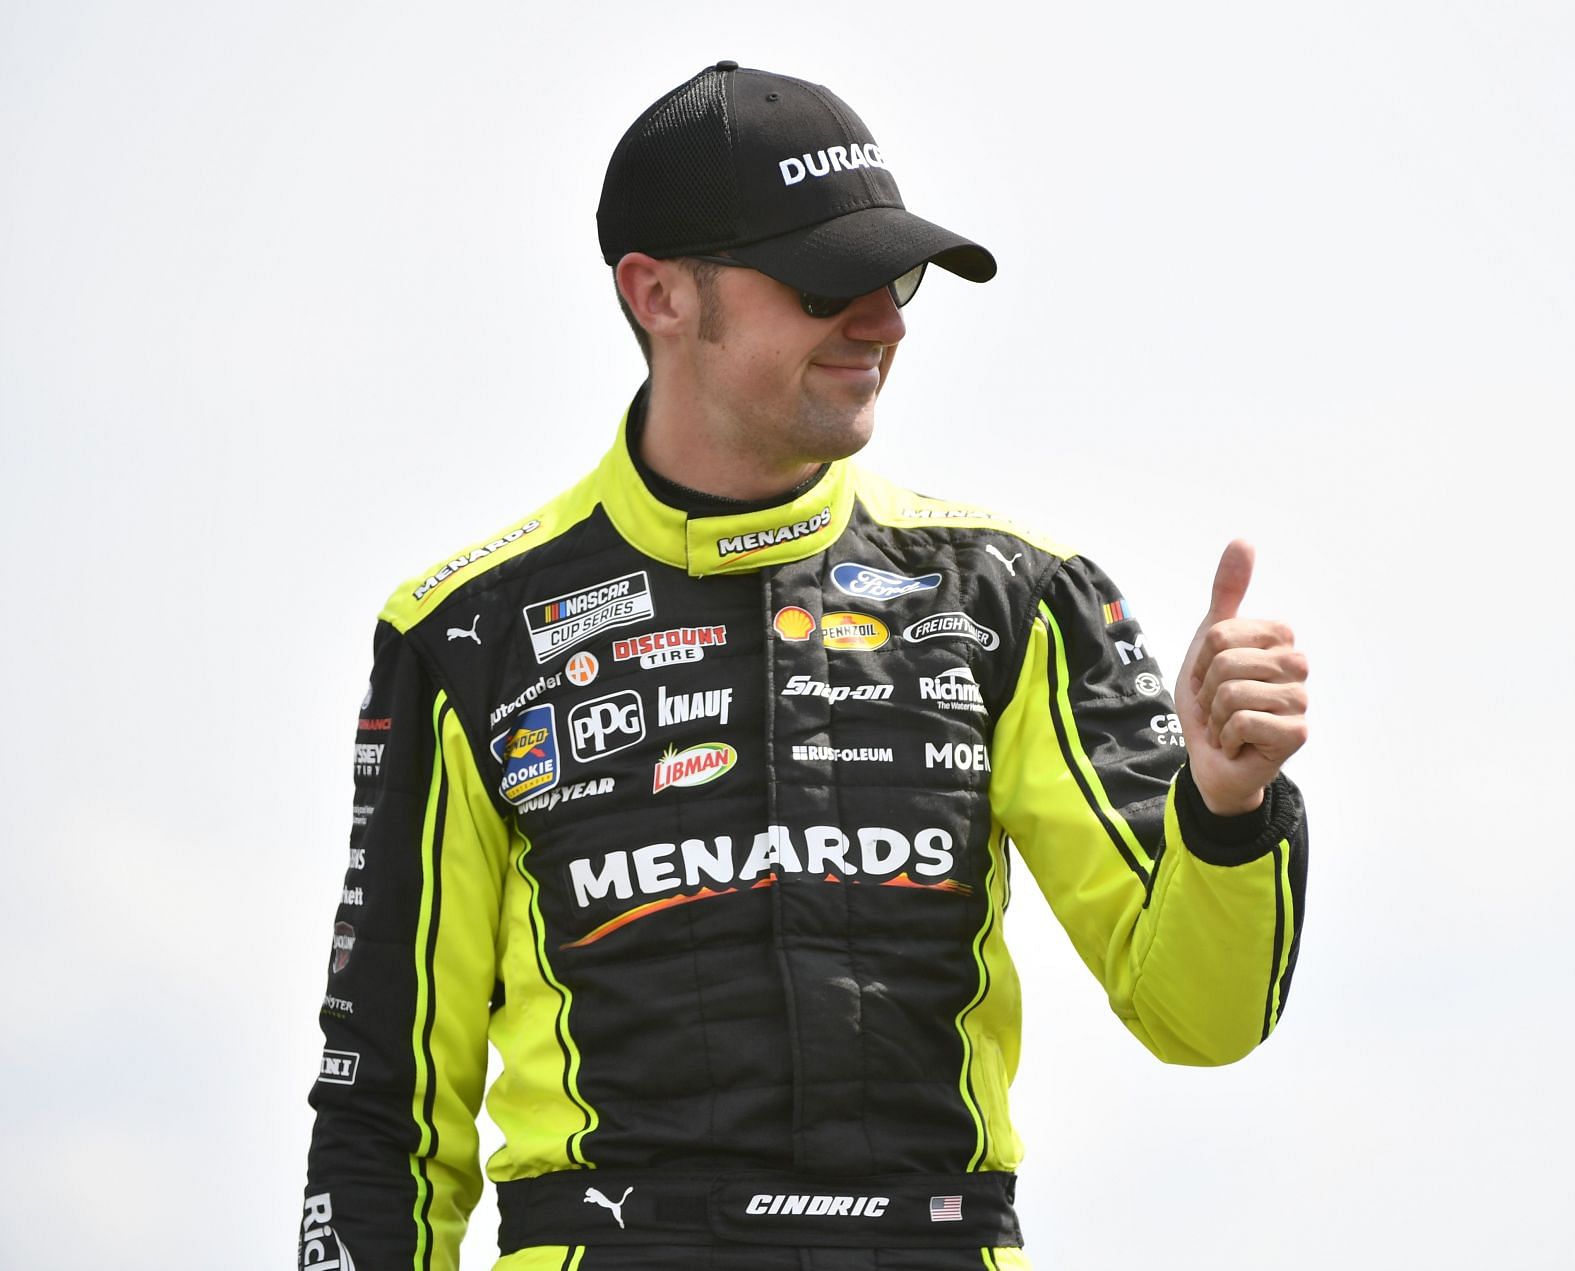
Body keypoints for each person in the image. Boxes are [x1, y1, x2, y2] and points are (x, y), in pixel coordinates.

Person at [301, 60, 1311, 1271]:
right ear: (658, 292)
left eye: (897, 277)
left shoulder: (1020, 595)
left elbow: (1205, 1019)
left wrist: (1230, 809)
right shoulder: (463, 630)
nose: (883, 319)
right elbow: (385, 1113)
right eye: (828, 280)